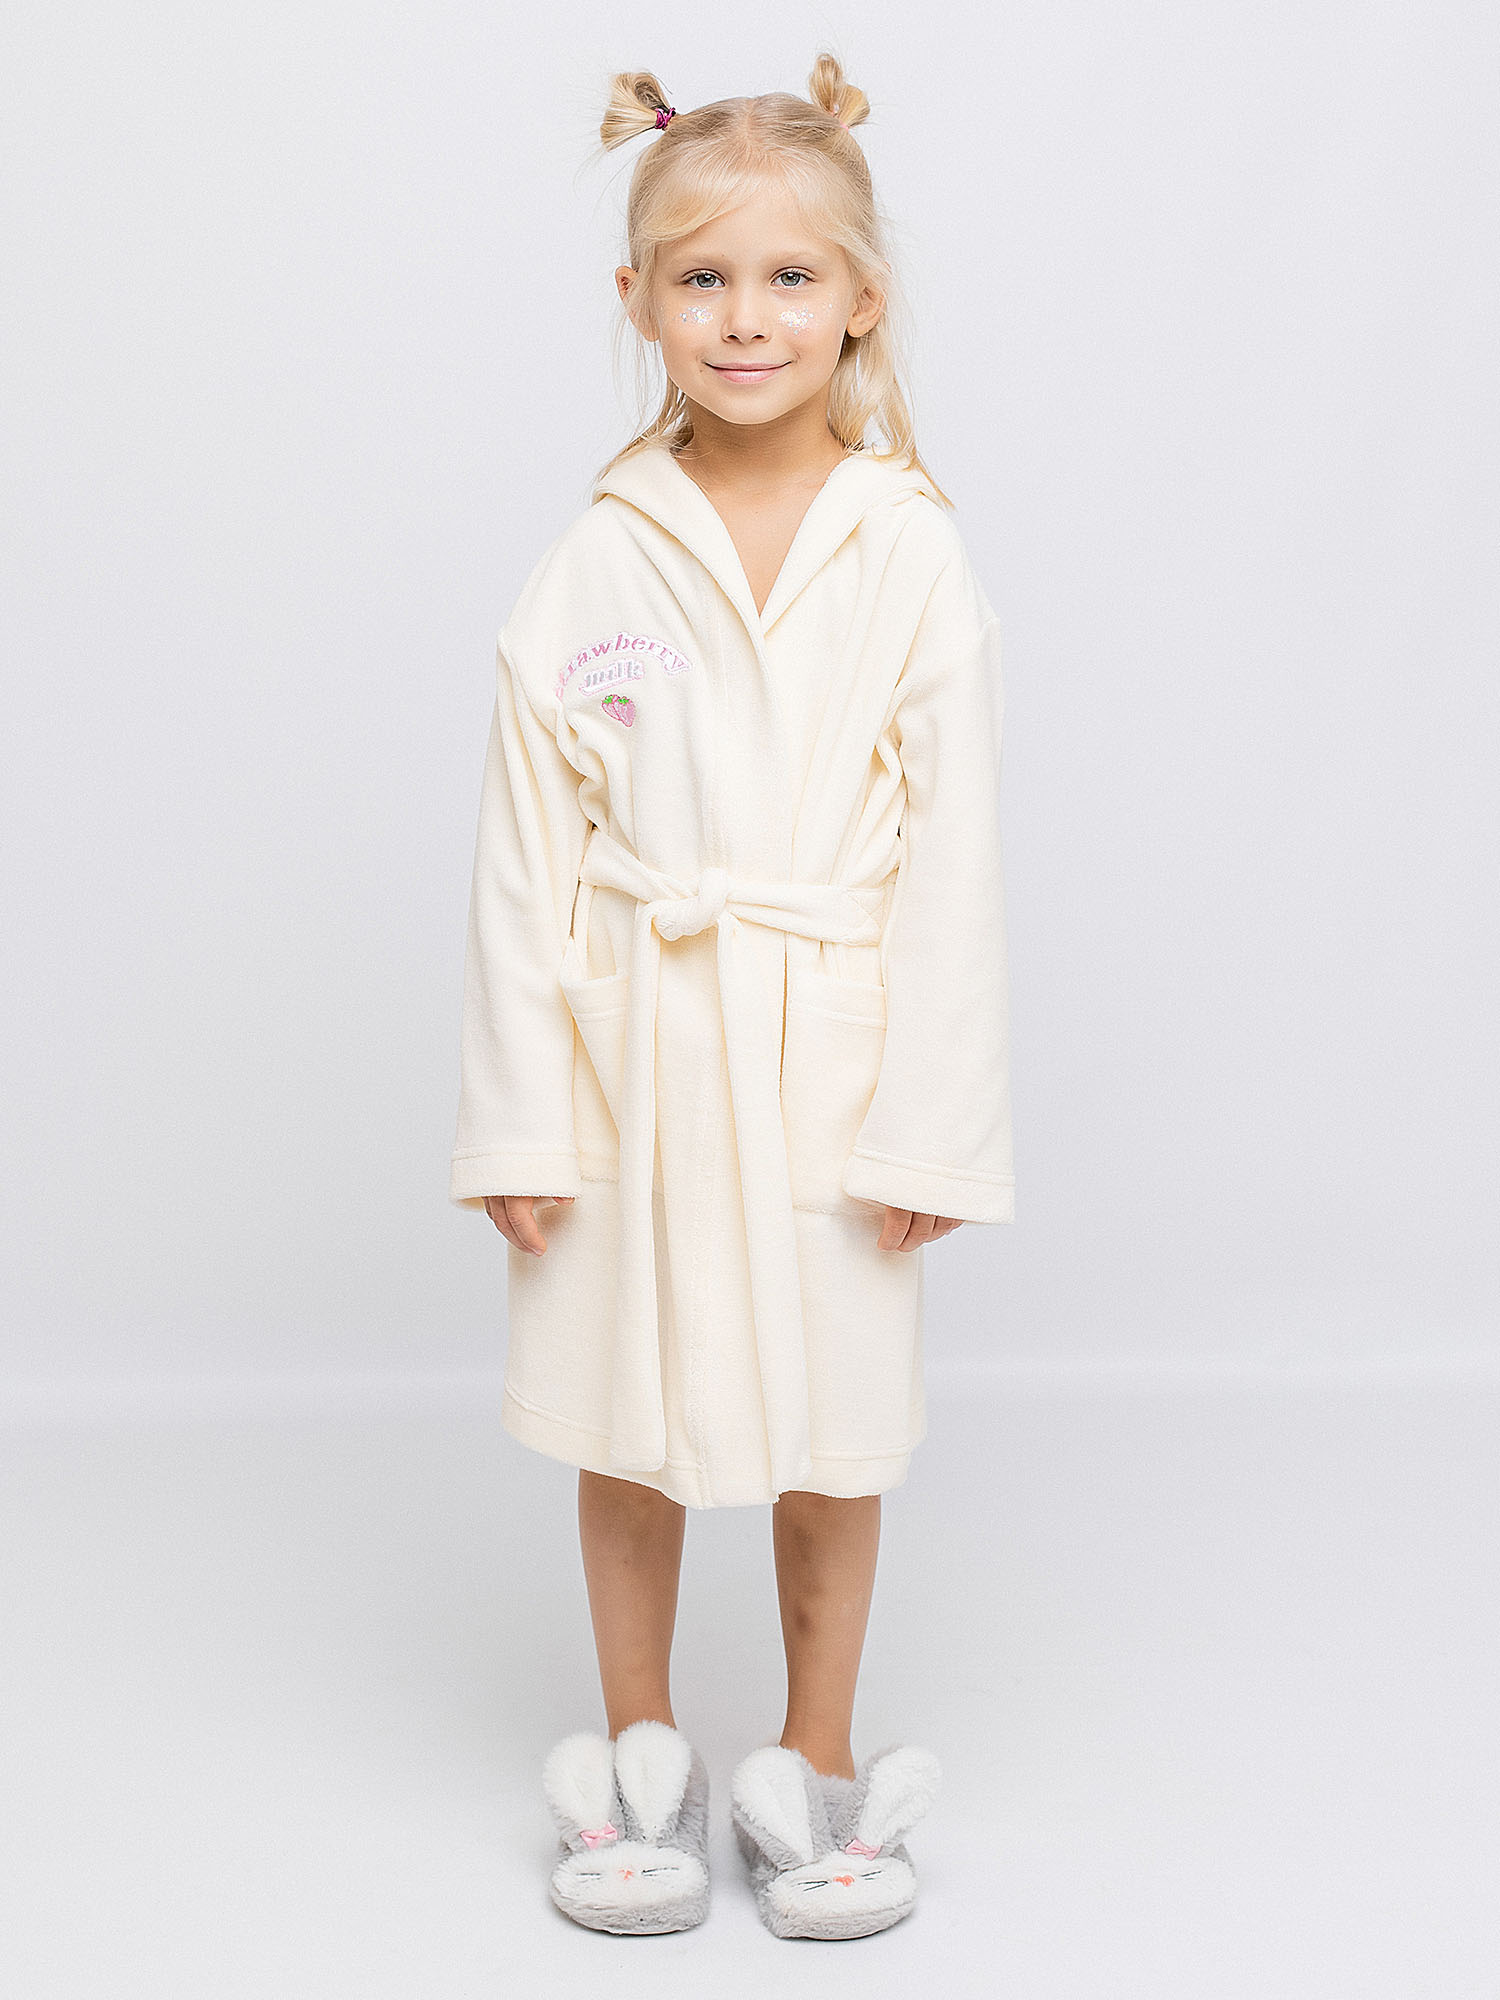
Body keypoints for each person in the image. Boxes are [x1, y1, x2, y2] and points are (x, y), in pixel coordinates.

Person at [448, 52, 1014, 1940]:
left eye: (788, 276)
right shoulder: (599, 553)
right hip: (636, 1048)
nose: (746, 316)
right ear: (636, 300)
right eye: (703, 278)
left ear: (862, 298)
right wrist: (521, 1118)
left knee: (832, 1426)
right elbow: (528, 854)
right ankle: (641, 1759)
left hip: (832, 1053)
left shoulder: (907, 544)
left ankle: (814, 1765)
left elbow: (955, 859)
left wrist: (931, 1123)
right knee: (626, 1411)